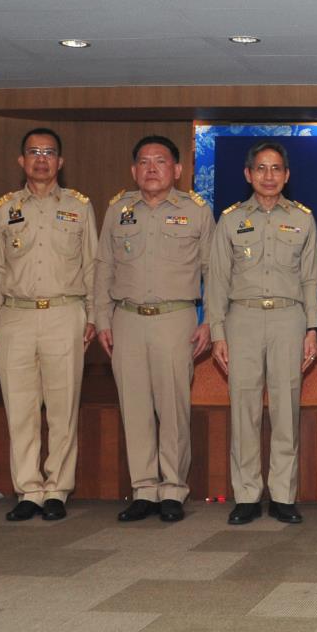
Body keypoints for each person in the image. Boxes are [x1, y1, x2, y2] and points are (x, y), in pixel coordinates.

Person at [94, 135, 213, 523]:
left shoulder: (196, 211)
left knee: (173, 409)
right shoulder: (119, 210)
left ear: (177, 169)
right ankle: (144, 489)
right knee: (135, 407)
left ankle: (173, 489)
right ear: (133, 170)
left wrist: (210, 321)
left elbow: (214, 272)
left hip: (175, 319)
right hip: (126, 319)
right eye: (144, 162)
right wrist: (102, 318)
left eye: (160, 161)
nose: (151, 168)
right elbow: (104, 267)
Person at [205, 140, 317, 527]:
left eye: (276, 169)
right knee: (244, 411)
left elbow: (310, 279)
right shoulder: (230, 219)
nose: (268, 176)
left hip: (289, 318)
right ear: (248, 174)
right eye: (261, 168)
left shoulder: (303, 218)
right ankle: (247, 496)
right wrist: (218, 333)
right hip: (243, 319)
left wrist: (312, 328)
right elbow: (217, 281)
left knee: (286, 410)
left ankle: (284, 496)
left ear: (286, 175)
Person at [0, 127, 96, 522]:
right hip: (15, 316)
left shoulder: (80, 206)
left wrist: (93, 315)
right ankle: (28, 490)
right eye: (34, 152)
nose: (41, 159)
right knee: (20, 409)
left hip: (65, 314)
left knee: (62, 410)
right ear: (22, 160)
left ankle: (57, 490)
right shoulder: (4, 207)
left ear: (60, 162)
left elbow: (92, 264)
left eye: (49, 153)